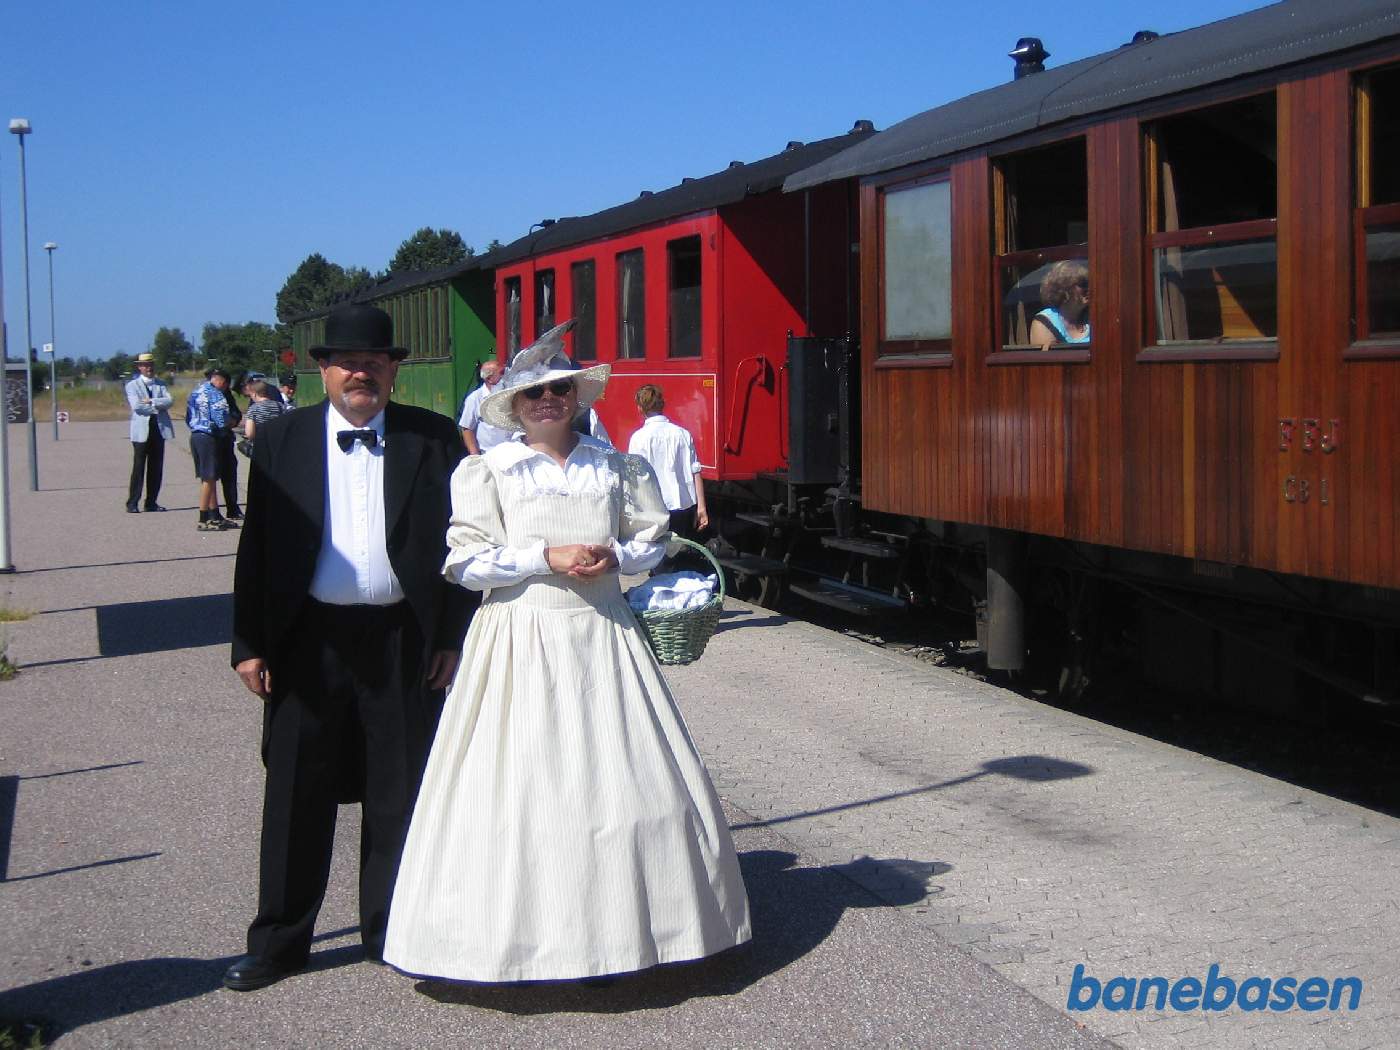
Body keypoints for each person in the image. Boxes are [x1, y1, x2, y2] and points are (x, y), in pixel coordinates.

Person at [384, 319, 750, 983]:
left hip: (603, 636)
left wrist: (618, 553)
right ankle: (518, 943)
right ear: (514, 407)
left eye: (558, 389)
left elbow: (652, 538)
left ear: (577, 396)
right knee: (519, 784)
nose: (546, 400)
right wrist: (542, 557)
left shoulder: (616, 467)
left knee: (621, 777)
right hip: (519, 636)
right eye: (532, 395)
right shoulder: (486, 472)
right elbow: (464, 561)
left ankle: (631, 935)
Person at [224, 303, 475, 992]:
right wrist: (249, 642)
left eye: (374, 361)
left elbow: (466, 544)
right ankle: (278, 941)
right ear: (323, 370)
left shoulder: (432, 439)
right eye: (347, 362)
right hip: (307, 638)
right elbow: (258, 548)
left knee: (398, 788)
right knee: (296, 791)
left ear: (393, 369)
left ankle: (391, 928)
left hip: (403, 639)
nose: (360, 372)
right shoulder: (282, 441)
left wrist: (453, 634)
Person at [626, 383, 709, 541]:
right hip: (681, 506)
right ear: (662, 405)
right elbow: (695, 471)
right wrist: (702, 507)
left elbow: (634, 477)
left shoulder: (638, 438)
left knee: (656, 556)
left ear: (640, 408)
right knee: (677, 551)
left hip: (652, 507)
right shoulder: (683, 434)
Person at [186, 368, 235, 531]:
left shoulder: (197, 391)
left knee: (208, 476)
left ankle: (214, 514)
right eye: (225, 384)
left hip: (195, 435)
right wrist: (229, 425)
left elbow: (188, 415)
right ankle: (203, 516)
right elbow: (221, 418)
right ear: (222, 381)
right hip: (209, 436)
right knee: (209, 477)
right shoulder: (216, 395)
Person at [124, 352, 173, 513]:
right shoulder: (132, 385)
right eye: (145, 365)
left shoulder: (160, 384)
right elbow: (137, 406)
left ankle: (151, 501)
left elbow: (169, 401)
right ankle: (132, 502)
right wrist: (158, 407)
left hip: (159, 430)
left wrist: (152, 401)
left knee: (156, 467)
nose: (148, 368)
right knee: (139, 467)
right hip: (141, 431)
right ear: (139, 367)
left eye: (150, 365)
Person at [1028, 260, 1090, 349]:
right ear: (1064, 289)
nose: (1089, 288)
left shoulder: (1094, 316)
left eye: (1089, 283)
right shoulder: (1045, 322)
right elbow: (1047, 361)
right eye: (1083, 284)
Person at [457, 359, 510, 454]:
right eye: (502, 373)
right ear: (489, 379)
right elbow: (467, 428)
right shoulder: (475, 398)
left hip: (513, 454)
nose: (505, 376)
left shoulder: (511, 394)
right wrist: (475, 456)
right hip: (489, 455)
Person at [240, 379, 286, 454]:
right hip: (277, 445)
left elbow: (250, 434)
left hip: (260, 445)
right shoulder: (280, 406)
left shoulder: (253, 409)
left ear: (254, 394)